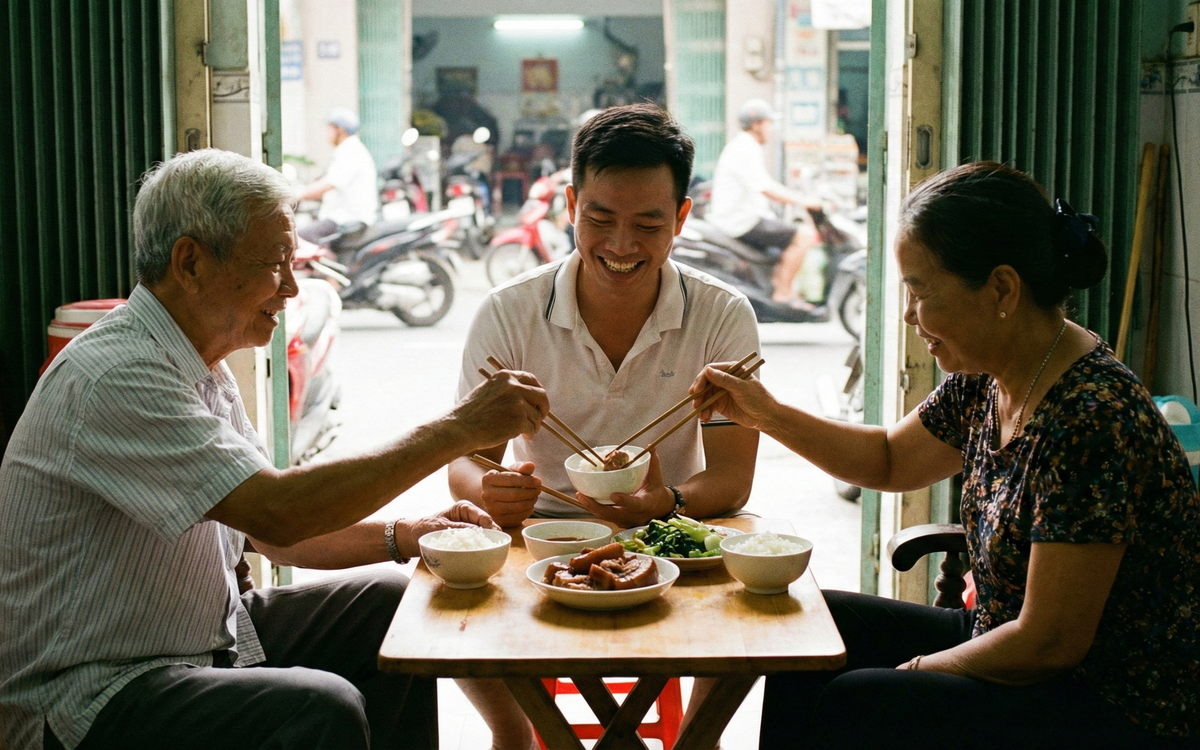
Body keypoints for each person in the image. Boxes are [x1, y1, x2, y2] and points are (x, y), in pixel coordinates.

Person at [0, 149, 549, 750]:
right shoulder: (120, 377)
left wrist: (409, 535)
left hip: (201, 640)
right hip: (95, 689)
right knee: (317, 709)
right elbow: (278, 510)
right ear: (191, 261)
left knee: (396, 609)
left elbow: (267, 535)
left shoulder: (200, 366)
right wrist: (457, 430)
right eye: (275, 264)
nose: (290, 287)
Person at [691, 162, 1199, 748]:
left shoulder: (1091, 420)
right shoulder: (991, 374)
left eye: (921, 292)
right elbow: (888, 459)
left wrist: (915, 672)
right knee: (810, 631)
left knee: (859, 702)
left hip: (1105, 701)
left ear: (1002, 290)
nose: (909, 315)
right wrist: (765, 414)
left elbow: (1049, 643)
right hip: (1011, 644)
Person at [447, 103, 761, 749]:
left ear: (681, 218)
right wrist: (490, 489)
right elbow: (465, 463)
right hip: (543, 538)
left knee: (756, 599)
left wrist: (661, 503)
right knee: (444, 579)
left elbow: (730, 482)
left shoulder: (722, 316)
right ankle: (517, 736)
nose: (621, 245)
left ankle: (697, 741)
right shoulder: (509, 313)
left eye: (649, 223)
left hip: (670, 538)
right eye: (600, 219)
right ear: (569, 205)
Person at [706, 98, 822, 308]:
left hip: (744, 217)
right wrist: (804, 201)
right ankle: (783, 294)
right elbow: (766, 188)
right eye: (769, 123)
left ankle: (780, 285)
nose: (772, 129)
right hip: (741, 221)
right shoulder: (744, 148)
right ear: (757, 125)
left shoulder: (746, 146)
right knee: (805, 235)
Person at [298, 107, 380, 243]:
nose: (327, 135)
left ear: (339, 130)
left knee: (300, 236)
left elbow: (329, 183)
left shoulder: (350, 151)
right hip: (343, 216)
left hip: (346, 218)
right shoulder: (350, 149)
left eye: (329, 129)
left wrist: (298, 194)